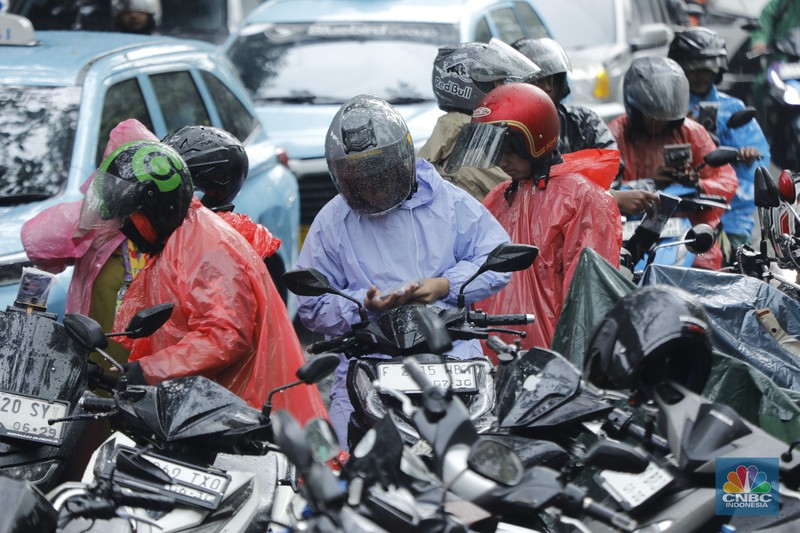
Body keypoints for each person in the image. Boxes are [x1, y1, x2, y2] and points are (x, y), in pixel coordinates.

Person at [296, 94, 512, 448]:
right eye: (359, 179)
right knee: (343, 464)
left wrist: (444, 285)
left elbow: (496, 259)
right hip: (369, 360)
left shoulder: (449, 202)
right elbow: (312, 305)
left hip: (452, 354)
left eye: (379, 175)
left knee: (476, 455)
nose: (372, 188)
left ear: (404, 159)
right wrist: (361, 305)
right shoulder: (333, 220)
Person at [75, 139, 325, 422]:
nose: (124, 227)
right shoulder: (179, 239)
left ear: (156, 208)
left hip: (245, 412)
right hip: (207, 407)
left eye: (130, 217)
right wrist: (121, 373)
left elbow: (224, 336)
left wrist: (147, 371)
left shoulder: (206, 247)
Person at [449, 82, 623, 350]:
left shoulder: (582, 198)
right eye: (495, 151)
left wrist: (573, 356)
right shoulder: (499, 196)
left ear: (537, 138)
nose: (501, 162)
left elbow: (587, 296)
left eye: (508, 150)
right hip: (495, 352)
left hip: (552, 356)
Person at [22, 119, 159, 365]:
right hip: (96, 363)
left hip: (149, 369)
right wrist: (93, 211)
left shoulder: (169, 223)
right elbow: (39, 246)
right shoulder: (98, 223)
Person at [608, 56, 738, 270]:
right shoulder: (615, 134)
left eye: (665, 115)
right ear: (635, 108)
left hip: (689, 231)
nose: (659, 121)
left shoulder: (691, 131)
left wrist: (697, 184)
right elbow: (603, 189)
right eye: (652, 115)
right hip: (630, 232)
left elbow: (726, 179)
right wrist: (649, 183)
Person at [511, 37, 659, 217]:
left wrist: (608, 195)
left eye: (552, 80)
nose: (547, 88)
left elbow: (610, 172)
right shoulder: (505, 131)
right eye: (537, 81)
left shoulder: (584, 122)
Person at [668, 27, 771, 263]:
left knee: (741, 265)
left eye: (709, 68)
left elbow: (759, 159)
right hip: (679, 205)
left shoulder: (733, 108)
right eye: (695, 68)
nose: (703, 75)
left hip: (731, 208)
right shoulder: (668, 108)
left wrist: (746, 156)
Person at [417, 38, 540, 201]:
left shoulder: (451, 132)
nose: (506, 88)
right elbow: (528, 195)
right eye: (499, 82)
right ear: (473, 87)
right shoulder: (474, 145)